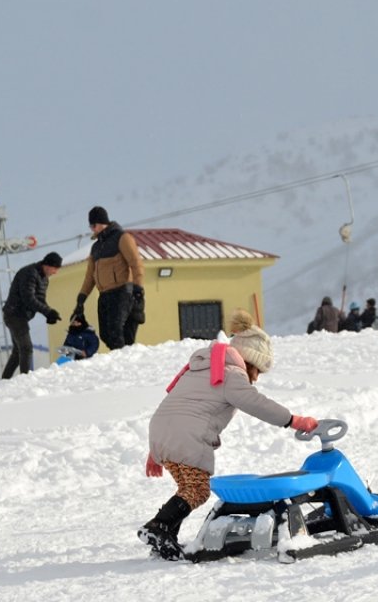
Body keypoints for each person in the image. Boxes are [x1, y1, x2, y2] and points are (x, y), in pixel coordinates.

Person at [139, 309, 320, 560]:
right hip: (186, 435)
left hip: (162, 431)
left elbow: (177, 408)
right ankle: (158, 527)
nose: (255, 379)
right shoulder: (231, 374)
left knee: (187, 488)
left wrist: (155, 450)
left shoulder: (201, 368)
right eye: (257, 371)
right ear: (248, 360)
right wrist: (293, 420)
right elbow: (256, 403)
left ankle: (165, 535)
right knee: (198, 490)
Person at [73, 206, 145, 350]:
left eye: (93, 225)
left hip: (122, 292)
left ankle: (123, 361)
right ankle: (125, 356)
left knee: (115, 331)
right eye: (90, 226)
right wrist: (81, 298)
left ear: (101, 223)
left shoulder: (122, 238)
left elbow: (136, 263)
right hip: (104, 295)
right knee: (106, 334)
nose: (92, 229)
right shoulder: (96, 247)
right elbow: (90, 277)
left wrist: (138, 288)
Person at [0, 252, 63, 380]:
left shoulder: (44, 278)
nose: (55, 272)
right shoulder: (29, 273)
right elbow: (28, 298)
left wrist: (49, 313)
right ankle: (26, 380)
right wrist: (47, 312)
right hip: (14, 314)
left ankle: (4, 380)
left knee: (18, 352)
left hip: (19, 315)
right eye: (55, 269)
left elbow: (40, 299)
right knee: (26, 348)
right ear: (47, 265)